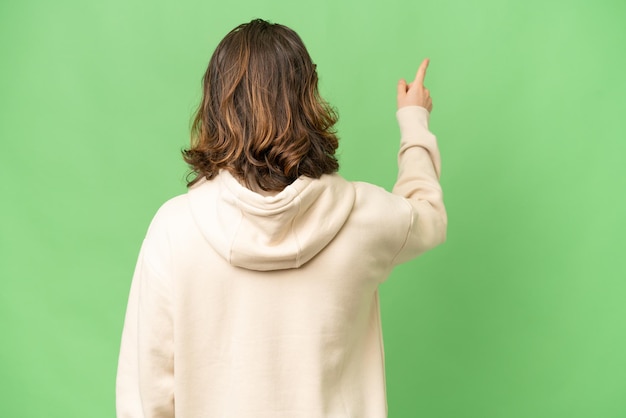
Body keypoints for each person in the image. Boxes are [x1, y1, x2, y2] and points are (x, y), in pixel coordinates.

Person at [116, 18, 446, 418]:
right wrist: (413, 122)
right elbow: (427, 214)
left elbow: (146, 397)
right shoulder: (362, 216)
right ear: (308, 101)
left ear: (217, 106)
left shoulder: (174, 229)